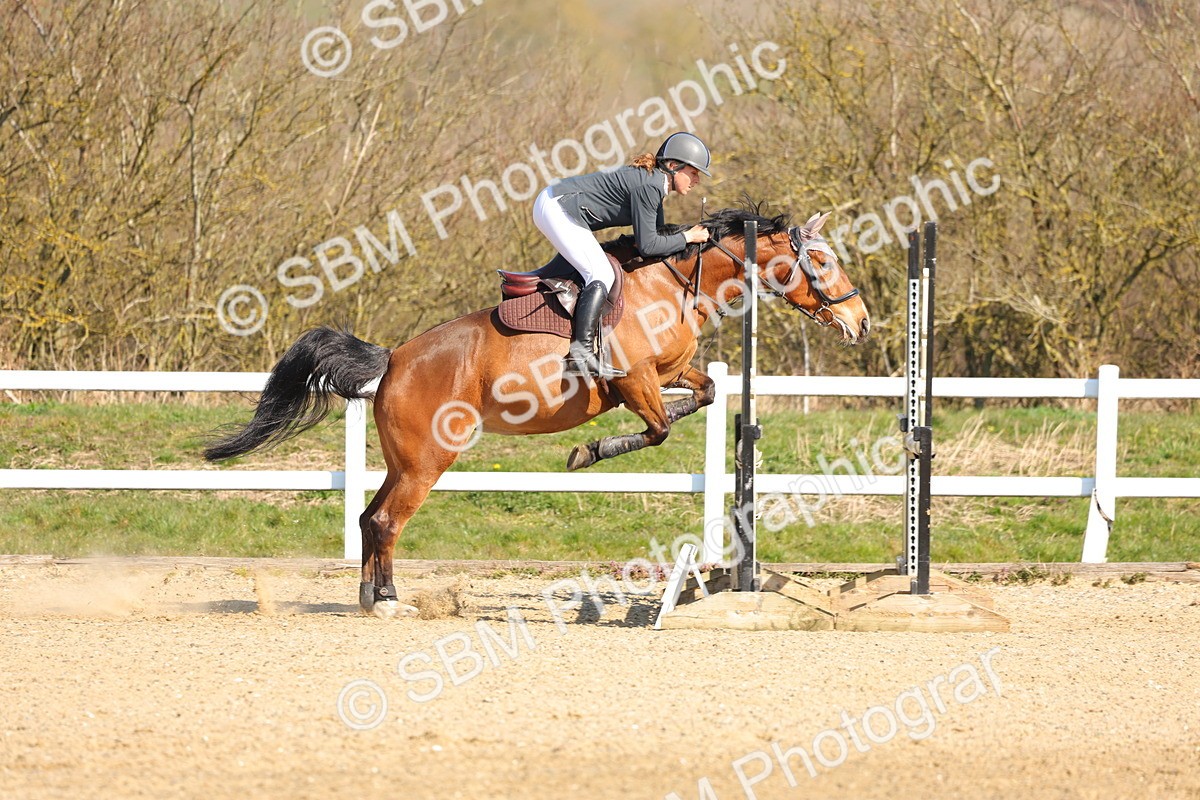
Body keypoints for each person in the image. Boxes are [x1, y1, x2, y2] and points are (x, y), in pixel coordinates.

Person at [532, 131, 713, 378]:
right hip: (558, 207)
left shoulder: (654, 186)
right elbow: (649, 246)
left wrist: (684, 239)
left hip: (557, 205)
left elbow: (652, 241)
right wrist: (688, 237)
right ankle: (580, 355)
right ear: (673, 166)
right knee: (601, 273)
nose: (697, 180)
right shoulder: (649, 186)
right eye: (693, 172)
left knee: (594, 268)